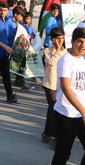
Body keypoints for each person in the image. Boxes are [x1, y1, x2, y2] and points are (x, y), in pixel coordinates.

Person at [51, 27, 85, 165]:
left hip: (81, 113)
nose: (83, 46)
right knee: (63, 153)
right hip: (66, 114)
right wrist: (83, 111)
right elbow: (66, 88)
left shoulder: (82, 60)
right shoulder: (66, 60)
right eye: (79, 41)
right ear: (72, 42)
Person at [42, 27, 66, 149]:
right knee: (54, 110)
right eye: (57, 38)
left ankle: (46, 133)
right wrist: (56, 51)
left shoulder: (66, 53)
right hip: (49, 84)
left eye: (62, 38)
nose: (60, 41)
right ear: (52, 39)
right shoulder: (47, 51)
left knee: (52, 110)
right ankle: (56, 138)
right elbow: (50, 63)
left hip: (61, 86)